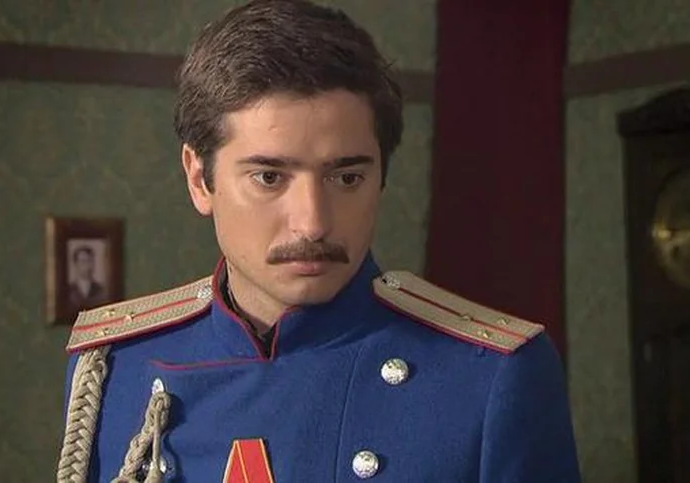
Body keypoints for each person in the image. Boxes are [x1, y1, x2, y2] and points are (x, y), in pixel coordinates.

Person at [55, 1, 582, 481]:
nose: (312, 223)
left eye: (346, 178)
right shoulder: (115, 366)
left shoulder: (489, 375)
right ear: (199, 179)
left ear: (382, 175)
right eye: (269, 178)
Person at [67, 245, 108, 313]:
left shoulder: (101, 290)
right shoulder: (68, 290)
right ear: (76, 264)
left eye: (90, 261)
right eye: (83, 261)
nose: (87, 265)